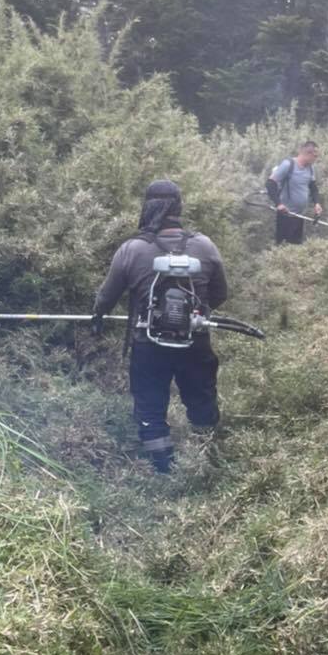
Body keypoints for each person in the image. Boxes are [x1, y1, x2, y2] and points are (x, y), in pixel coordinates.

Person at [92, 180, 228, 473]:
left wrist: (98, 317)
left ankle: (164, 470)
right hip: (196, 342)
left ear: (147, 207)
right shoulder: (204, 245)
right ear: (179, 207)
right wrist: (196, 315)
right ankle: (206, 463)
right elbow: (220, 294)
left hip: (148, 346)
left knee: (150, 410)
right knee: (201, 402)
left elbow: (106, 297)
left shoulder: (131, 250)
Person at [266, 141, 322, 245]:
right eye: (315, 156)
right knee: (282, 246)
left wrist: (317, 203)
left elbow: (313, 187)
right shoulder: (288, 164)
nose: (316, 158)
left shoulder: (310, 168)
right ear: (308, 153)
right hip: (285, 215)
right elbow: (270, 183)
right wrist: (279, 204)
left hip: (299, 216)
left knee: (296, 246)